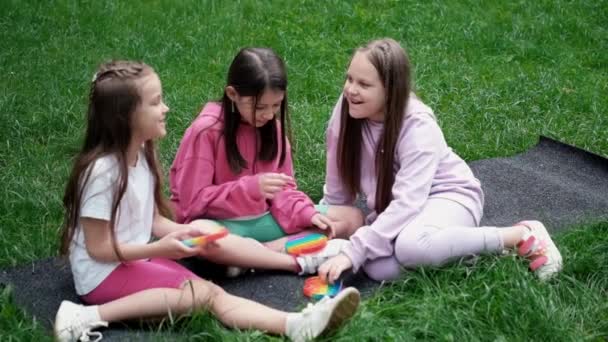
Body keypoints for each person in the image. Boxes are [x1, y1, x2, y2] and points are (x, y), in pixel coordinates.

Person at [54, 60, 360, 342]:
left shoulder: (142, 154)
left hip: (134, 260)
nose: (166, 108)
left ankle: (296, 325)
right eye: (155, 102)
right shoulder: (102, 172)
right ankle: (85, 316)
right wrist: (160, 248)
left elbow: (152, 220)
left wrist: (181, 233)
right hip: (101, 276)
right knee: (200, 296)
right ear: (127, 115)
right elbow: (99, 249)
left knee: (209, 294)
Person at [316, 38, 563, 284]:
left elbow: (407, 203)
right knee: (379, 269)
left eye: (364, 84)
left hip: (449, 196)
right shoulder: (349, 107)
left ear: (390, 90)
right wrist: (325, 222)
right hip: (403, 210)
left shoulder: (417, 125)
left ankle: (519, 235)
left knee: (411, 248)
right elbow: (338, 192)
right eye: (349, 79)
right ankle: (467, 253)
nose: (351, 90)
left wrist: (354, 250)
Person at [169, 47, 363, 274]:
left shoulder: (274, 130)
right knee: (199, 233)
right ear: (232, 95)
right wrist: (251, 188)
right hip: (224, 226)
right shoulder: (206, 132)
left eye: (276, 105)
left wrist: (307, 214)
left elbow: (285, 191)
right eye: (259, 107)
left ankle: (252, 256)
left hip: (266, 221)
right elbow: (191, 204)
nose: (269, 115)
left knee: (352, 217)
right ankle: (282, 255)